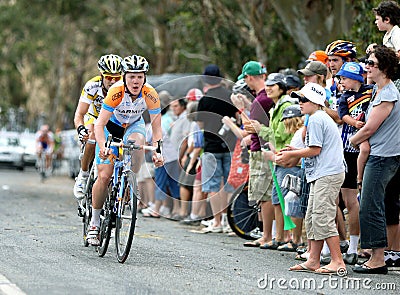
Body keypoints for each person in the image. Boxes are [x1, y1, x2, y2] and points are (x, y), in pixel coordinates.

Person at [87, 54, 164, 246]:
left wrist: (158, 150)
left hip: (133, 126)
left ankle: (129, 179)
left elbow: (156, 128)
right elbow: (99, 124)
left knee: (138, 142)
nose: (136, 81)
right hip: (110, 127)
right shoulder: (115, 91)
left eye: (140, 76)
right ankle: (95, 223)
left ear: (145, 77)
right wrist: (104, 146)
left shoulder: (150, 94)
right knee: (104, 176)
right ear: (124, 76)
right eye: (131, 76)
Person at [276, 82, 346, 274]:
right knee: (313, 216)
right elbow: (315, 148)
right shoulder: (316, 117)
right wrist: (296, 150)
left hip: (327, 173)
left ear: (315, 102)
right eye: (299, 99)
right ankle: (313, 259)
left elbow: (315, 150)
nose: (300, 103)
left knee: (322, 216)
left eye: (304, 99)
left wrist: (293, 155)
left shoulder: (316, 118)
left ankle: (337, 261)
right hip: (321, 173)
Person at [350, 45, 400, 274]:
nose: (367, 67)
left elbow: (370, 128)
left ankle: (377, 259)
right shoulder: (377, 91)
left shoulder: (388, 93)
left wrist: (354, 140)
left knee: (371, 206)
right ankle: (375, 255)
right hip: (378, 155)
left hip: (383, 157)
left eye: (372, 64)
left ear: (385, 68)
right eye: (367, 63)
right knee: (371, 204)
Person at [246, 73, 298, 250]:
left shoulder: (287, 105)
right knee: (277, 199)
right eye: (267, 85)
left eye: (273, 85)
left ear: (282, 88)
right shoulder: (276, 106)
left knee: (286, 199)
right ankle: (280, 237)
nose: (268, 88)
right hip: (277, 157)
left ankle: (291, 238)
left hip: (286, 157)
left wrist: (260, 129)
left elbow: (282, 134)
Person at [231, 61, 274, 246]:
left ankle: (267, 235)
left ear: (249, 77)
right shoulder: (263, 98)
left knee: (264, 196)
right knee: (264, 195)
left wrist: (241, 109)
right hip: (263, 148)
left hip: (260, 150)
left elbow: (248, 128)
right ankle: (268, 234)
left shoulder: (261, 99)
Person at [336, 62, 373, 265]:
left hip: (369, 149)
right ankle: (352, 246)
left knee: (364, 199)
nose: (341, 81)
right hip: (348, 150)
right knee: (350, 200)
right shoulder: (344, 97)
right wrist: (354, 123)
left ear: (357, 78)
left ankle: (362, 245)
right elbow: (342, 116)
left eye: (345, 78)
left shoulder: (371, 91)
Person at [73, 54, 123, 199]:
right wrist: (81, 129)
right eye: (108, 77)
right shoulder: (92, 86)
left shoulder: (124, 88)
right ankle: (83, 175)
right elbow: (79, 114)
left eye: (117, 77)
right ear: (101, 75)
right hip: (94, 117)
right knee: (93, 134)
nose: (113, 81)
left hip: (113, 120)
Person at [196, 64, 238, 233]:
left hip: (211, 147)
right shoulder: (230, 96)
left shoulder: (204, 100)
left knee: (213, 186)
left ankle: (217, 221)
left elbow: (200, 124)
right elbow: (238, 117)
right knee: (230, 184)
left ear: (206, 79)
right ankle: (230, 223)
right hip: (230, 145)